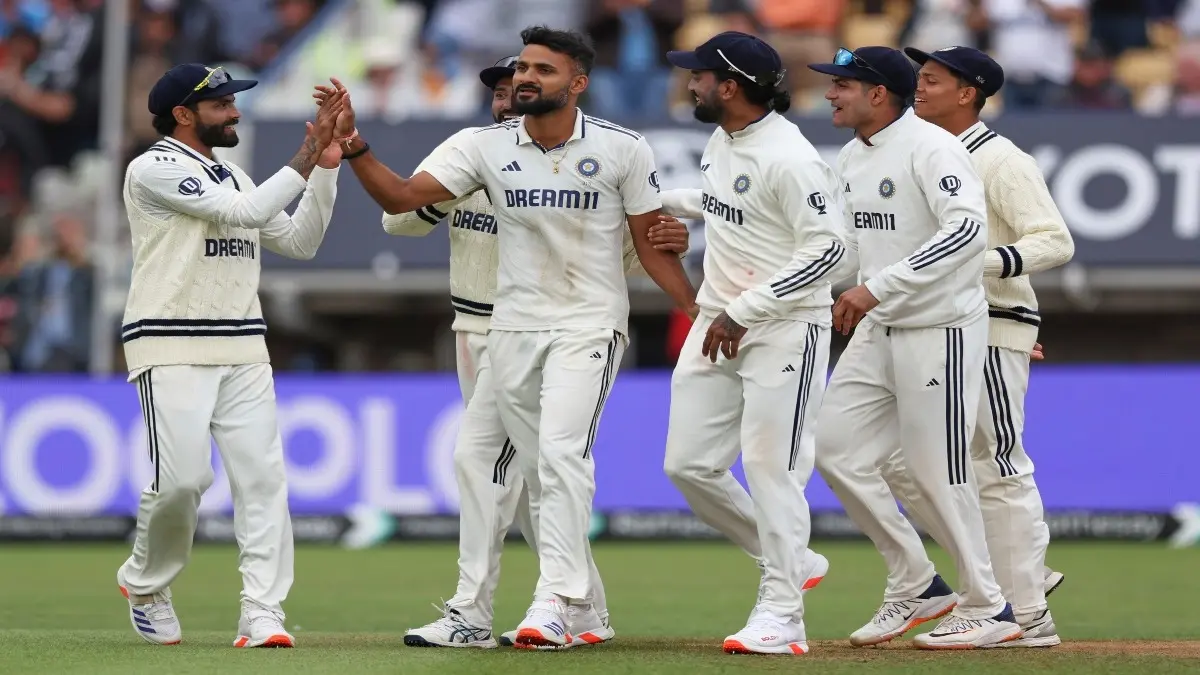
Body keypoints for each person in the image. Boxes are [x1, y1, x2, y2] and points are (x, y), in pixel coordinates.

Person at [323, 26, 698, 649]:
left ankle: (556, 599)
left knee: (558, 456)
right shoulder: (480, 148)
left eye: (540, 70)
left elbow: (645, 246)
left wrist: (698, 306)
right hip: (506, 329)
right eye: (519, 70)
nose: (523, 79)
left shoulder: (622, 148)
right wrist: (357, 144)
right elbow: (401, 200)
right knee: (480, 460)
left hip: (587, 326)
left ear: (577, 83)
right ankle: (488, 614)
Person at [116, 63, 347, 648]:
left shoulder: (236, 176)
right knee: (183, 481)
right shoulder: (154, 168)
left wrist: (325, 169)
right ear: (184, 115)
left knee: (263, 481)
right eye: (221, 105)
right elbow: (240, 216)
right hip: (170, 341)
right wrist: (307, 146)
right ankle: (145, 583)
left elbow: (300, 241)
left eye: (232, 102)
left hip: (243, 342)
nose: (235, 111)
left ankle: (262, 610)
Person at [805, 46, 1022, 649]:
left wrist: (877, 287)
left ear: (878, 94)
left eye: (842, 85)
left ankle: (989, 607)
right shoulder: (852, 155)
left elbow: (966, 231)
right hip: (881, 328)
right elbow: (846, 247)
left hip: (940, 328)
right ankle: (917, 583)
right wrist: (790, 288)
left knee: (937, 471)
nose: (829, 94)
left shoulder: (933, 147)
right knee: (835, 450)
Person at [655, 31, 850, 655]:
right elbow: (727, 204)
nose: (691, 84)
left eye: (700, 76)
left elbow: (831, 248)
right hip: (722, 320)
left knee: (773, 470)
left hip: (783, 328)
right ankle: (793, 559)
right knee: (687, 465)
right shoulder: (724, 138)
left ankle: (783, 616)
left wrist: (747, 309)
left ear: (730, 87)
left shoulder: (790, 158)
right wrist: (660, 204)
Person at [879, 45, 1075, 648]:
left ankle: (1025, 613)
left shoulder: (1001, 160)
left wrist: (971, 266)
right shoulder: (919, 151)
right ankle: (1015, 572)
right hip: (931, 324)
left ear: (968, 93)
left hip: (991, 323)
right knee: (895, 461)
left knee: (996, 464)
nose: (919, 87)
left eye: (932, 80)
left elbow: (1054, 240)